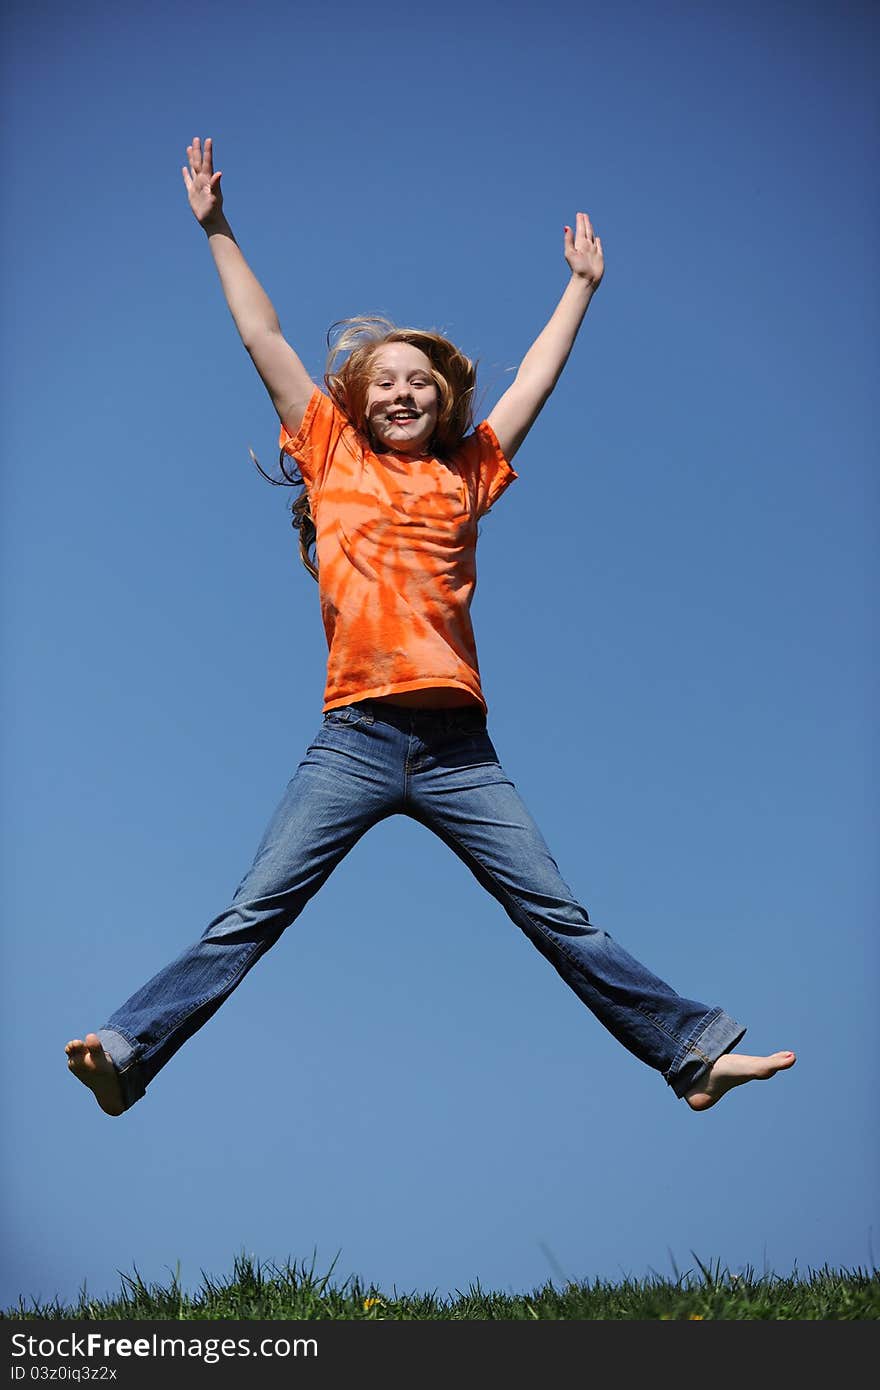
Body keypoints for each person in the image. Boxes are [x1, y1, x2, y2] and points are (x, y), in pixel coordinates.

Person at [65, 136, 795, 1117]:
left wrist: (579, 288)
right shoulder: (329, 453)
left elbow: (532, 383)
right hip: (355, 738)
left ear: (444, 400)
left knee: (558, 915)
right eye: (385, 381)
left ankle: (692, 1057)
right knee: (253, 910)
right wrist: (218, 229)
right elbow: (264, 337)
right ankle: (126, 1050)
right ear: (355, 402)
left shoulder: (466, 470)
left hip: (459, 750)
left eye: (421, 381)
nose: (403, 391)